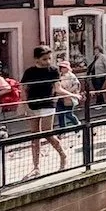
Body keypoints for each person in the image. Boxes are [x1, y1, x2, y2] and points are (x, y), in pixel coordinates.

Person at [21, 46, 68, 176]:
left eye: (49, 58)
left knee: (48, 132)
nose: (47, 61)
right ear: (36, 59)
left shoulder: (53, 70)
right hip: (33, 104)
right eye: (44, 59)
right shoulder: (29, 72)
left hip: (48, 103)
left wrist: (71, 95)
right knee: (34, 136)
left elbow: (57, 88)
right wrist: (24, 105)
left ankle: (63, 155)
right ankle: (36, 167)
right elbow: (23, 90)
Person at [54, 60, 81, 132]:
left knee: (68, 114)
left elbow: (76, 85)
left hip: (69, 98)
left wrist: (68, 92)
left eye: (63, 67)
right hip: (60, 97)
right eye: (61, 67)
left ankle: (77, 124)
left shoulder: (71, 76)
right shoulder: (59, 76)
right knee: (60, 114)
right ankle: (62, 130)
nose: (62, 69)